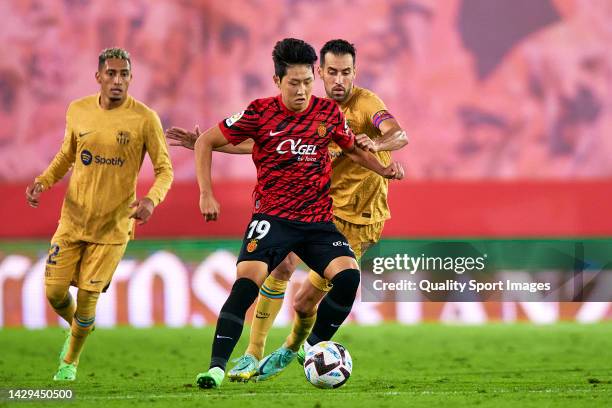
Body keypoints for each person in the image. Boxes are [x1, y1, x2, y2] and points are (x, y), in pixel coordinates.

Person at [166, 39, 407, 382]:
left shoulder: (349, 108)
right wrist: (210, 174)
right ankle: (237, 359)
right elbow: (251, 140)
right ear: (284, 79)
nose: (336, 81)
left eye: (346, 72)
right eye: (329, 73)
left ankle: (306, 347)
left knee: (315, 297)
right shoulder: (264, 110)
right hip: (285, 215)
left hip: (342, 219)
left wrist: (382, 160)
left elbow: (381, 140)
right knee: (264, 277)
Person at [25, 47, 173, 381]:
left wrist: (151, 199)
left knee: (89, 298)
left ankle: (69, 363)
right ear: (98, 77)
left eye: (124, 75)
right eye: (111, 74)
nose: (118, 80)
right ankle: (79, 326)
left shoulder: (145, 118)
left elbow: (165, 170)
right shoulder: (78, 110)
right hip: (73, 220)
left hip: (114, 227)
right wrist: (43, 181)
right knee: (54, 293)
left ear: (131, 79)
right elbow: (67, 154)